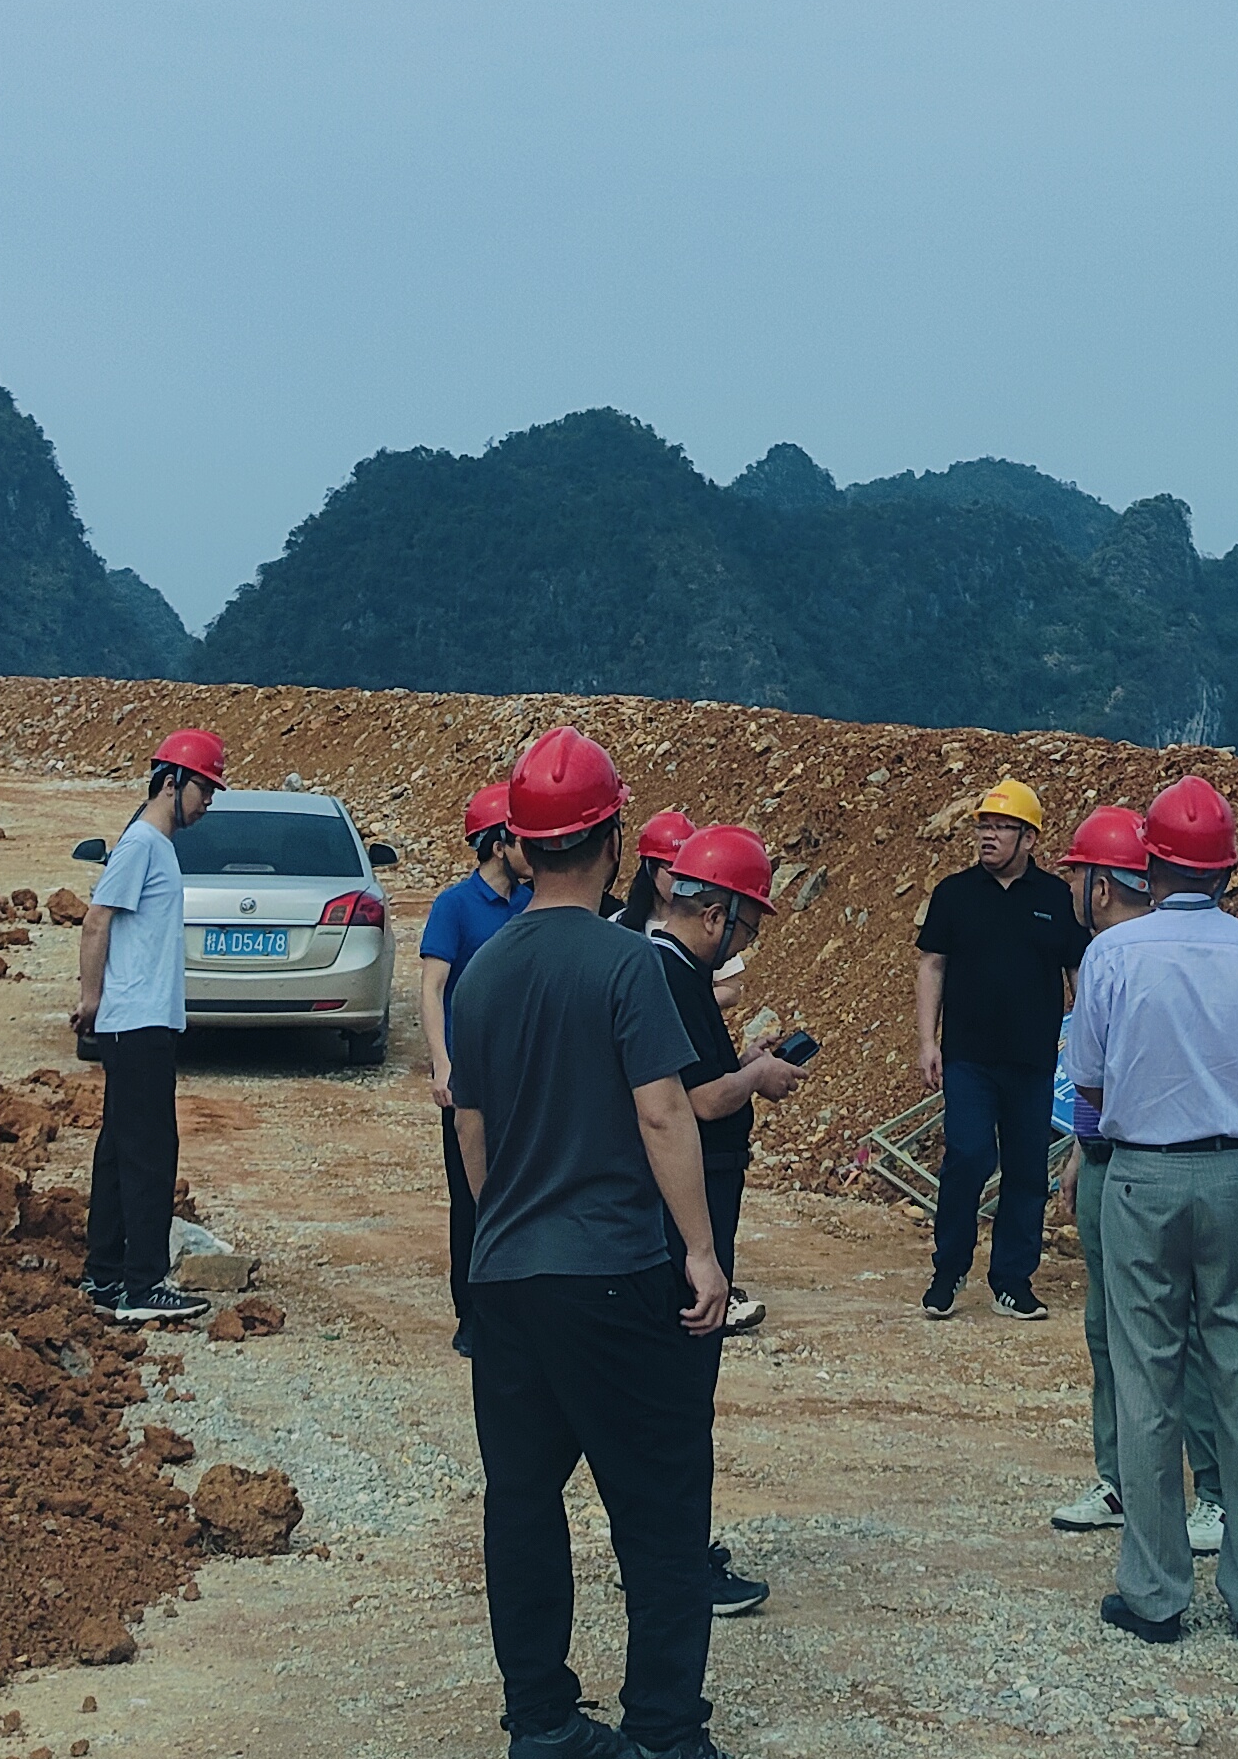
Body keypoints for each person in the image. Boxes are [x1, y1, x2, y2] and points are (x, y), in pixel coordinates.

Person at [454, 726, 735, 1759]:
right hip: (613, 1271)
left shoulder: (483, 971)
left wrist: (503, 1224)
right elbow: (663, 1112)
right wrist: (700, 1252)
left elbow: (472, 1128)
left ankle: (541, 1722)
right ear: (614, 841)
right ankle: (663, 1729)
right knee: (660, 1506)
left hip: (507, 1277)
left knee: (523, 1503)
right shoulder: (627, 966)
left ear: (524, 846)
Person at [1061, 772, 1238, 1646]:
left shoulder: (1112, 957)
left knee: (1146, 1383)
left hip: (1142, 1178)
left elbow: (1089, 1082)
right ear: (1227, 869)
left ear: (1151, 864)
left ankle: (1155, 1593)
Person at [1047, 803, 1226, 1564]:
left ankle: (1210, 1489)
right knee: (1112, 1330)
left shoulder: (1132, 959)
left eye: (1076, 875)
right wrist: (1081, 1147)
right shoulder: (1112, 958)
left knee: (1175, 1334)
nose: (1070, 889)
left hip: (1143, 1167)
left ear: (1101, 883)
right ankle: (1123, 1480)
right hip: (1109, 1156)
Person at [653, 823, 806, 1619]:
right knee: (682, 1394)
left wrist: (743, 1064)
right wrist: (756, 1078)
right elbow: (695, 1100)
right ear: (715, 915)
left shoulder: (664, 970)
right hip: (690, 1204)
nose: (743, 945)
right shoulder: (672, 976)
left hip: (683, 1202)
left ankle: (663, 1549)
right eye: (745, 929)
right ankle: (676, 1563)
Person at [69, 729, 225, 1327]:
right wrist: (92, 1000)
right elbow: (96, 921)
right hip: (137, 1024)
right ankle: (143, 1285)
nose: (206, 804)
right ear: (171, 783)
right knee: (150, 1156)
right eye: (203, 790)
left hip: (142, 1021)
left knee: (118, 1151)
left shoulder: (156, 846)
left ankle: (105, 1275)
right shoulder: (140, 844)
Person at [915, 776, 1085, 1318]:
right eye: (983, 827)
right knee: (966, 1157)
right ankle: (948, 1271)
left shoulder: (1056, 899)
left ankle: (1012, 1280)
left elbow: (1077, 972)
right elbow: (932, 965)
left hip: (1033, 1061)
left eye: (1001, 828)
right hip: (968, 1057)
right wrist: (927, 1041)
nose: (988, 837)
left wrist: (1087, 1039)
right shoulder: (954, 894)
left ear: (1028, 838)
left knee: (1027, 1170)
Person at [421, 777, 529, 1355]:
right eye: (522, 838)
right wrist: (442, 1064)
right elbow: (432, 988)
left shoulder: (534, 904)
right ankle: (472, 1313)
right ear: (496, 844)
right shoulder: (454, 907)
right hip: (472, 1082)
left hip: (524, 1080)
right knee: (471, 1199)